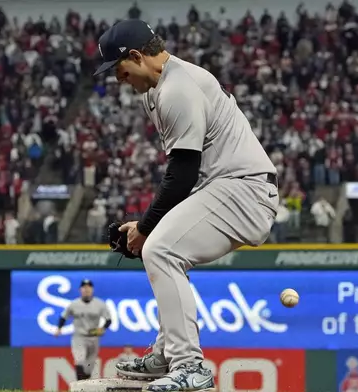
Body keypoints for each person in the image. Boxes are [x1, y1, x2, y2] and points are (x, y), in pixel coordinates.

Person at [94, 19, 278, 392]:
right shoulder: (158, 86)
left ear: (135, 56)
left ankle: (190, 365)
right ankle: (167, 353)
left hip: (244, 191)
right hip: (225, 187)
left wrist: (147, 229)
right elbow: (184, 175)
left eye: (119, 70)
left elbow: (182, 171)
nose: (118, 79)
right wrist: (147, 226)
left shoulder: (177, 88)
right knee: (164, 246)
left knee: (160, 249)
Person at [55, 279, 112, 381]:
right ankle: (79, 388)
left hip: (94, 338)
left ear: (92, 289)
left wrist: (102, 328)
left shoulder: (99, 304)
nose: (86, 289)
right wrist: (59, 328)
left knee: (88, 368)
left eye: (89, 287)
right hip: (79, 337)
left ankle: (83, 387)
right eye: (84, 287)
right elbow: (64, 316)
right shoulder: (74, 304)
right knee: (80, 361)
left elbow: (108, 320)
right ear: (80, 290)